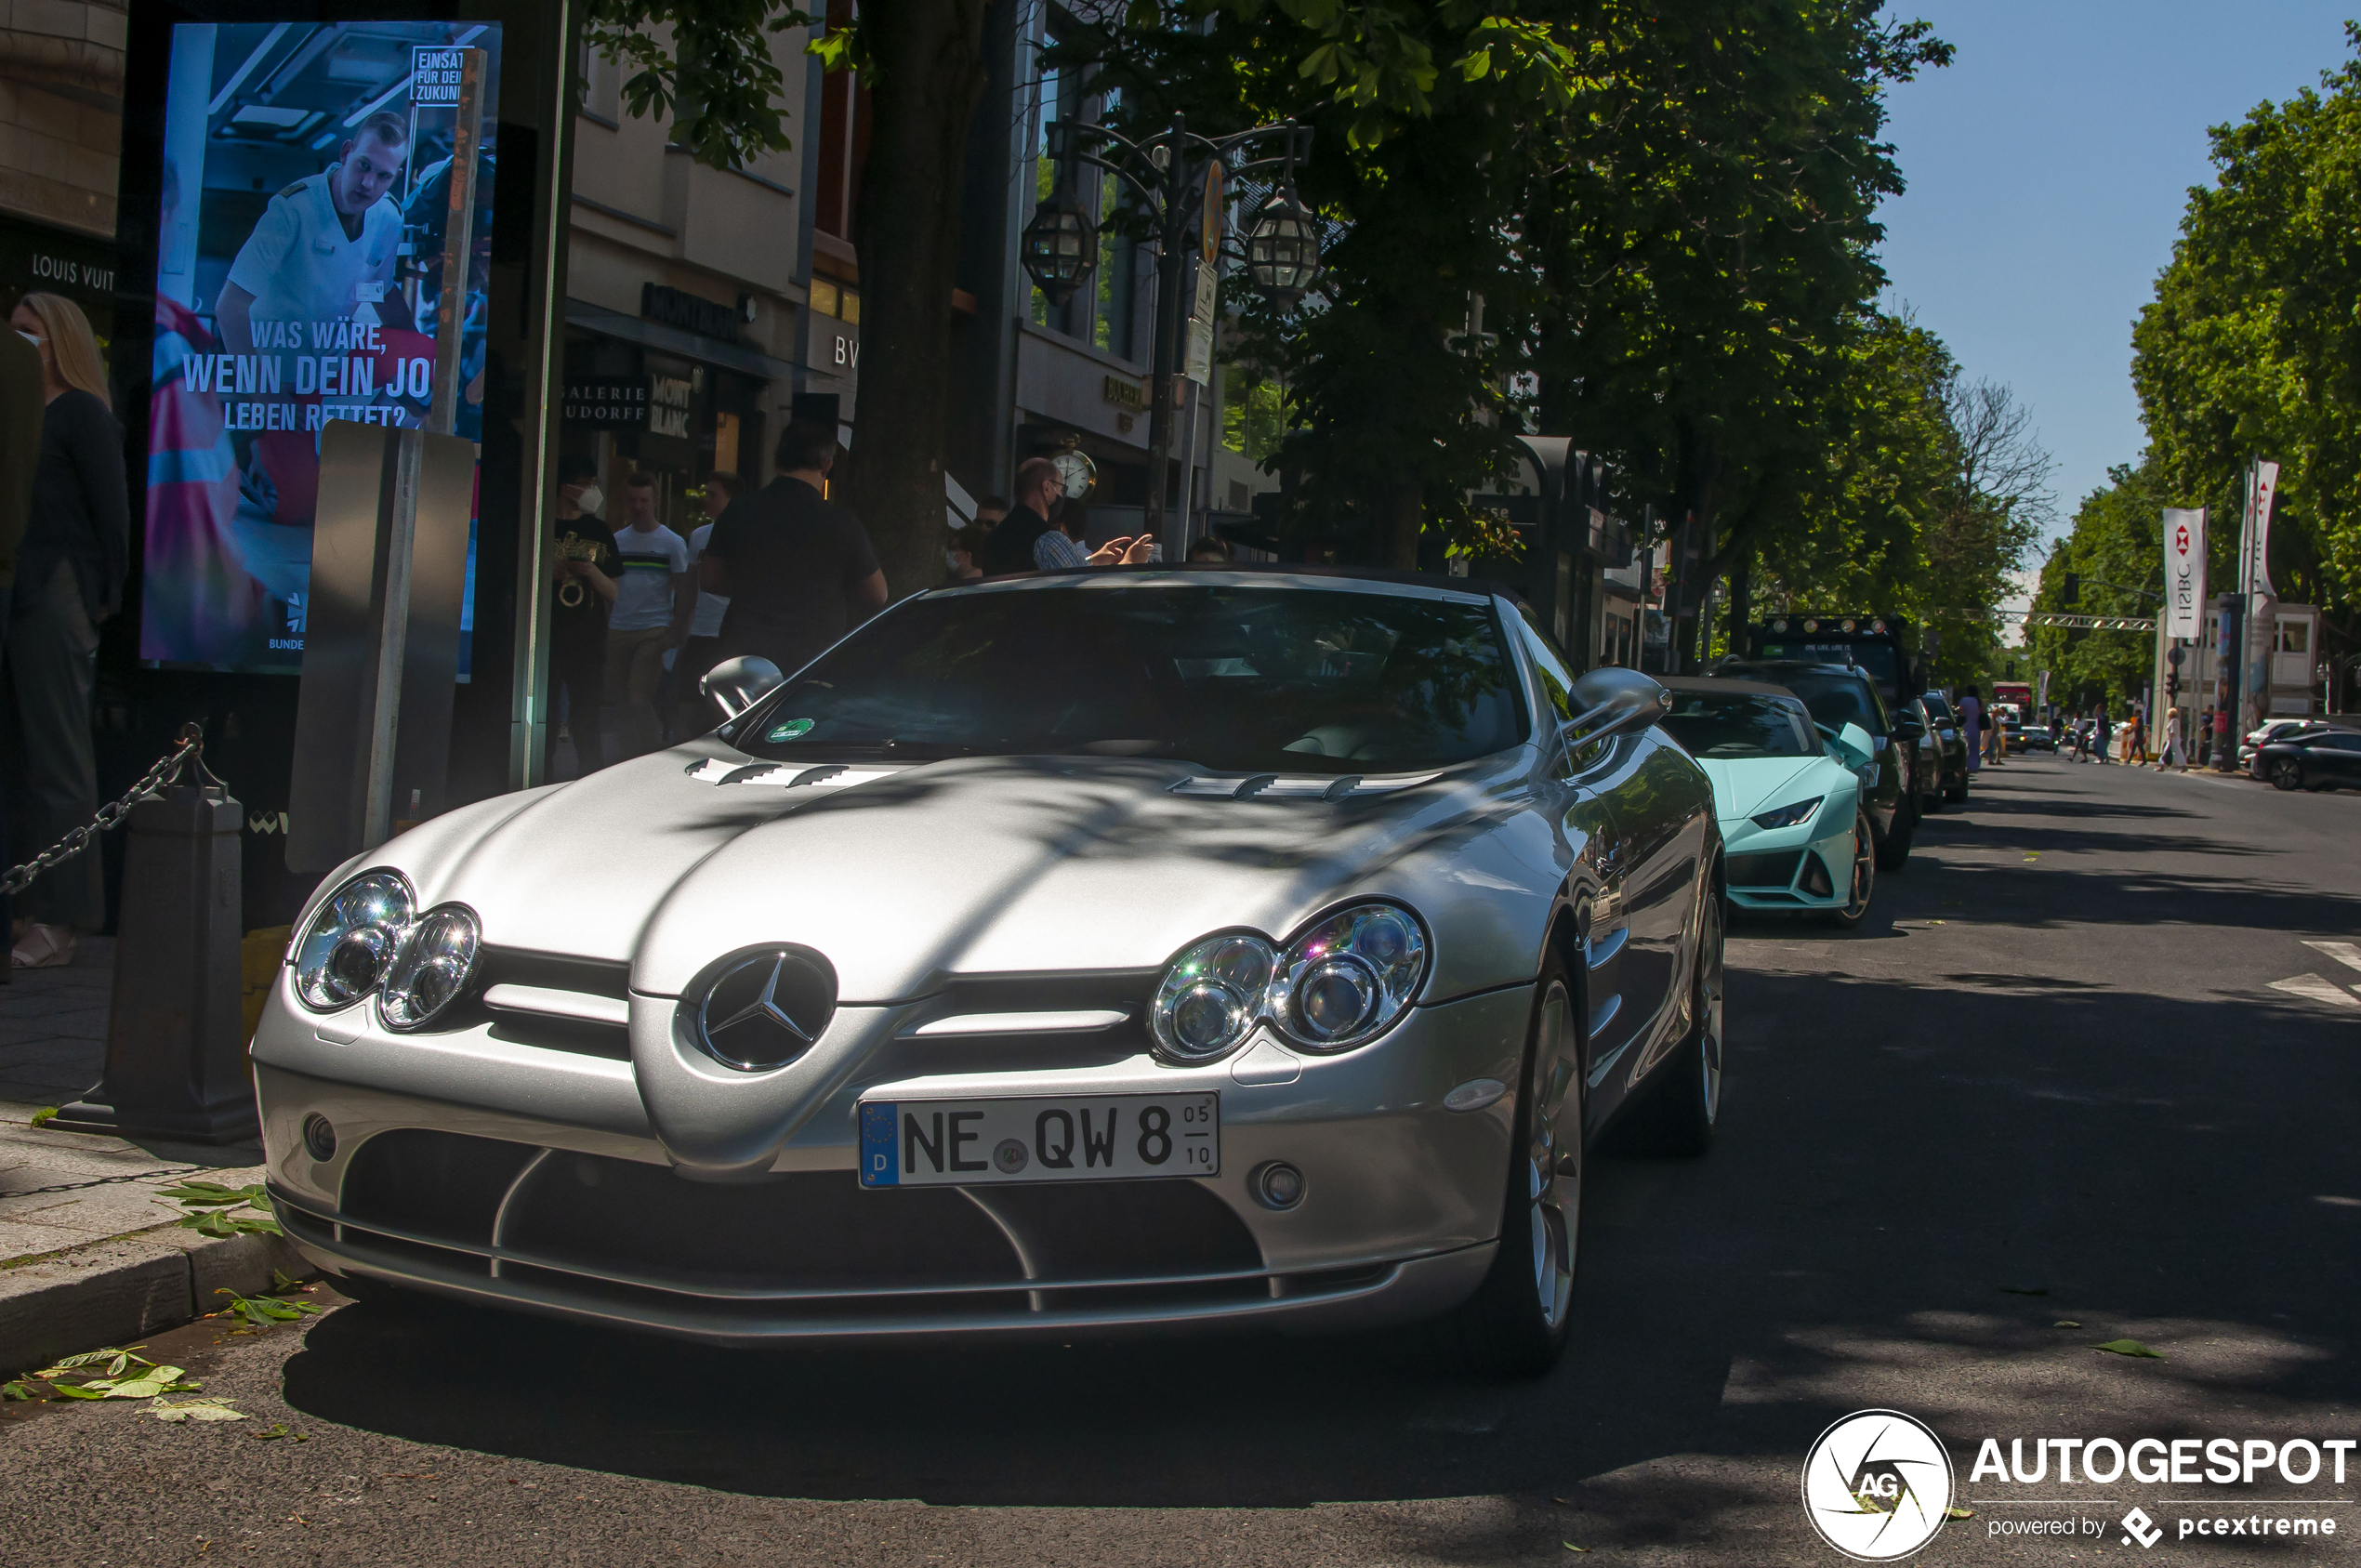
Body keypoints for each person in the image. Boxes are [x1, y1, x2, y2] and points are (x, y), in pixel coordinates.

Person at [216, 112, 415, 615]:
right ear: (346, 152)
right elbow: (229, 307)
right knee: (294, 507)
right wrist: (261, 396)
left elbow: (383, 291)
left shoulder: (389, 217)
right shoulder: (292, 210)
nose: (369, 183)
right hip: (272, 377)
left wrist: (421, 360)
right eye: (364, 166)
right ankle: (245, 451)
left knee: (352, 499)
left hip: (329, 373)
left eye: (384, 175)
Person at [4, 294, 127, 969]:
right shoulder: (24, 414)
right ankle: (28, 899)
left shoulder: (80, 412)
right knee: (25, 758)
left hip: (57, 591)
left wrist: (102, 596)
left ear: (61, 343)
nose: (20, 344)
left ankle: (64, 915)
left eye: (31, 334)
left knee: (58, 758)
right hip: (21, 589)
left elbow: (112, 516)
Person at [703, 422, 887, 676]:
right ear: (826, 464)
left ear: (778, 459)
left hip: (744, 653)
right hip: (812, 658)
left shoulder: (738, 510)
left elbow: (711, 579)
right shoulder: (840, 522)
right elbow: (877, 594)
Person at [603, 473, 691, 758]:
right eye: (632, 500)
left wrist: (676, 631)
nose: (638, 507)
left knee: (638, 697)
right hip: (619, 626)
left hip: (653, 627)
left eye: (643, 500)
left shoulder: (671, 542)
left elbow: (684, 590)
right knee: (620, 700)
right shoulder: (617, 541)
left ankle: (651, 754)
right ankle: (628, 755)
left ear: (654, 501)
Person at [547, 455, 620, 776]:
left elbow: (614, 591)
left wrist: (589, 570)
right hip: (546, 639)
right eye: (587, 484)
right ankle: (540, 779)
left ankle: (590, 780)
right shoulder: (539, 524)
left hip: (587, 640)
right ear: (567, 487)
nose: (592, 490)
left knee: (586, 718)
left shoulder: (599, 530)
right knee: (544, 718)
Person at [977, 456, 1154, 573]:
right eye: (1061, 488)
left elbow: (1053, 569)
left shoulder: (996, 536)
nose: (1062, 495)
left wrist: (1093, 561)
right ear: (1047, 487)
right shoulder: (1048, 538)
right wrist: (1130, 563)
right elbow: (1080, 588)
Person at [675, 470, 741, 733]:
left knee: (721, 708)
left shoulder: (744, 533)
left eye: (713, 495)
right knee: (687, 702)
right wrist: (679, 629)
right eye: (706, 494)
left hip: (728, 633)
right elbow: (690, 585)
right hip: (700, 631)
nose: (706, 500)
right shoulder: (699, 536)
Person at [1959, 685, 1982, 774]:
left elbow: (1960, 712)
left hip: (1965, 726)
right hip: (1976, 726)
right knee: (1974, 748)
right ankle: (1974, 766)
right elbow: (1982, 712)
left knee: (1966, 747)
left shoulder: (1964, 700)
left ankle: (1965, 766)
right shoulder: (1979, 701)